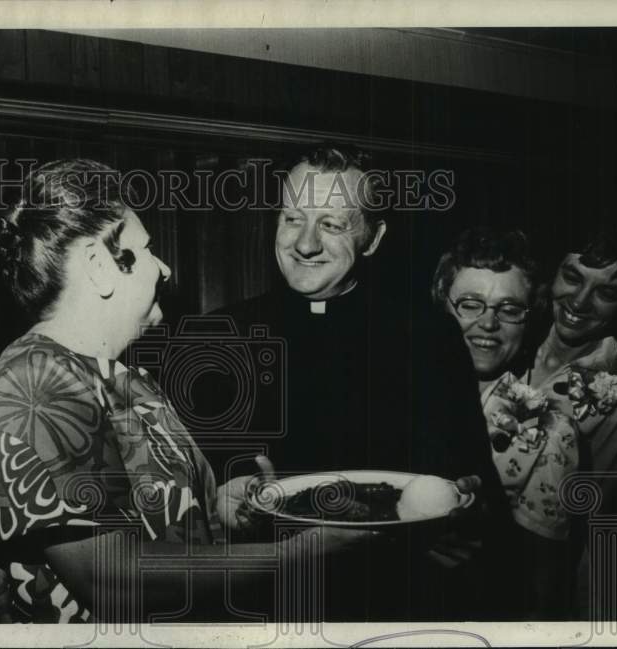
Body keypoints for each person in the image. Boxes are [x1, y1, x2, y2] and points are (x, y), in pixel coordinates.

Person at [0, 159, 372, 624]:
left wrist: (220, 507)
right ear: (99, 267)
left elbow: (152, 520)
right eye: (148, 249)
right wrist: (300, 555)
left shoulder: (127, 380)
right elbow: (113, 578)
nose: (165, 269)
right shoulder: (35, 387)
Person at [200, 145, 509, 620]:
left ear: (373, 237)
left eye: (332, 224)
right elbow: (191, 496)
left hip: (392, 600)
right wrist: (225, 498)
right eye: (291, 218)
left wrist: (467, 513)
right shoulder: (218, 337)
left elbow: (472, 478)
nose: (305, 244)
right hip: (265, 605)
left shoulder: (426, 336)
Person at [432, 226, 578, 618]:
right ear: (442, 306)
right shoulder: (393, 393)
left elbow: (540, 586)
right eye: (470, 304)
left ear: (528, 320)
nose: (488, 323)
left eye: (509, 309)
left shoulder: (552, 432)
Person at [523, 230, 617, 617]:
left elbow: (582, 519)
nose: (579, 301)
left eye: (606, 293)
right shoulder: (511, 333)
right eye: (573, 277)